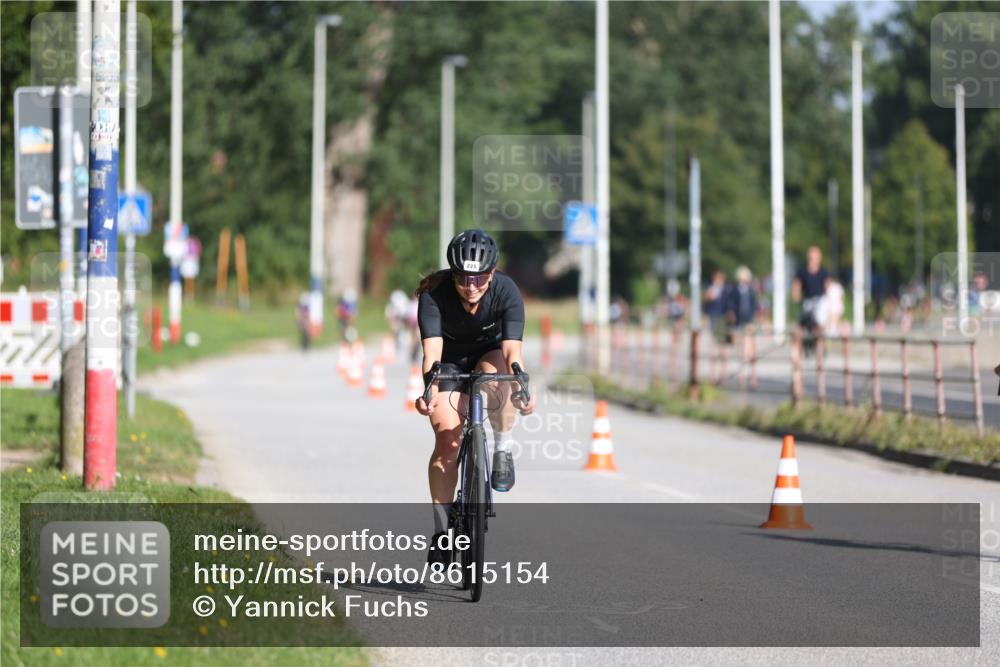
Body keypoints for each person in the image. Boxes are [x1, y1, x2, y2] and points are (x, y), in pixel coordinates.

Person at [413, 229, 535, 565]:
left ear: (492, 274)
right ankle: (441, 533)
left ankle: (503, 448)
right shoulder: (434, 295)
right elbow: (431, 352)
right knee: (447, 443)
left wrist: (523, 386)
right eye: (464, 278)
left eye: (479, 278)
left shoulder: (506, 291)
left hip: (489, 354)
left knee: (501, 380)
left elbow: (512, 349)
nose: (471, 286)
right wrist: (429, 390)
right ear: (453, 274)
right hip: (448, 363)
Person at [792, 246, 830, 350]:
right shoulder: (803, 271)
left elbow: (827, 287)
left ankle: (819, 358)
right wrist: (796, 295)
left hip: (819, 302)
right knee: (800, 328)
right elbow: (797, 284)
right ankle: (797, 359)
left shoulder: (823, 272)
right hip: (807, 302)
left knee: (819, 329)